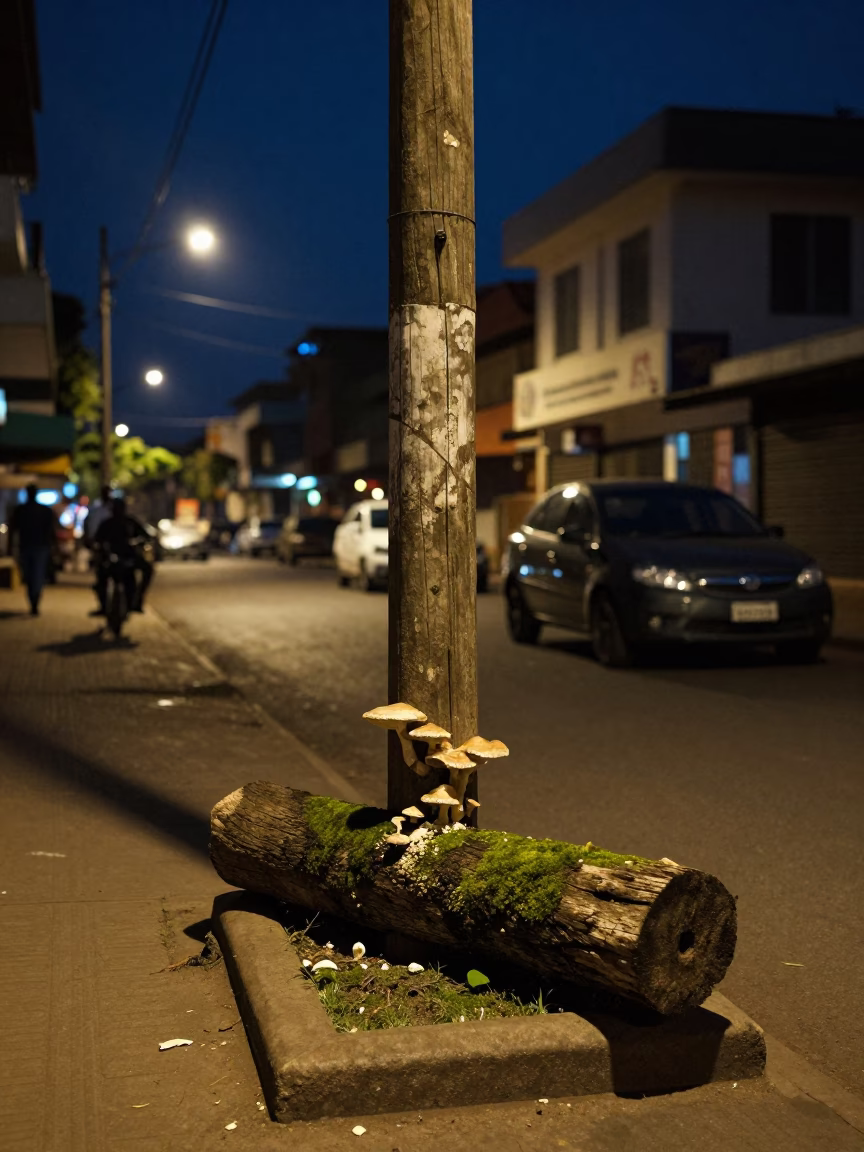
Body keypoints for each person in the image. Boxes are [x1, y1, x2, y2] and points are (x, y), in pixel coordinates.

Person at [93, 498, 149, 614]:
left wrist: (138, 542)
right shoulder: (107, 524)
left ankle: (137, 601)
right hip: (110, 559)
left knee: (147, 570)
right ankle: (104, 606)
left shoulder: (130, 522)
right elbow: (97, 540)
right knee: (100, 579)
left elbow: (145, 536)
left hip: (129, 559)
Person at [8, 484, 56, 616]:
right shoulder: (40, 510)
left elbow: (13, 531)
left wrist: (10, 548)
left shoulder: (22, 510)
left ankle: (34, 601)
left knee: (33, 576)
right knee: (34, 575)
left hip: (34, 547)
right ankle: (34, 600)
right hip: (34, 547)